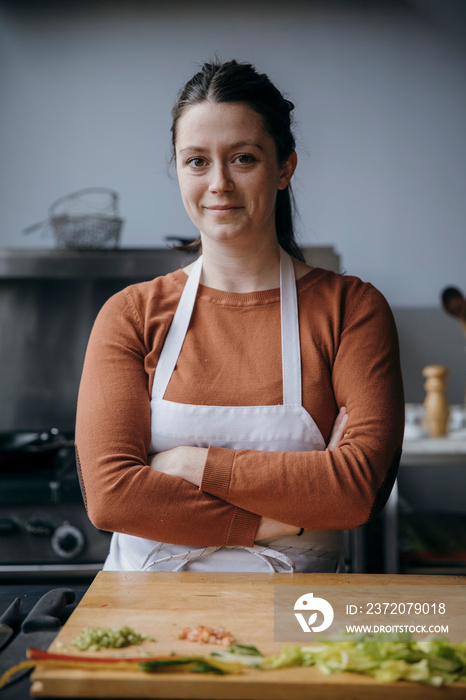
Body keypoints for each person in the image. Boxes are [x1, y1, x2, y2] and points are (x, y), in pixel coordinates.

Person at [75, 59, 404, 573]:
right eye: (197, 161)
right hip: (147, 625)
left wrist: (190, 463)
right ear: (178, 170)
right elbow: (114, 498)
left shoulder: (351, 310)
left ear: (284, 168)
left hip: (299, 627)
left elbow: (354, 491)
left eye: (244, 158)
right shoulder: (131, 315)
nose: (219, 183)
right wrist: (285, 520)